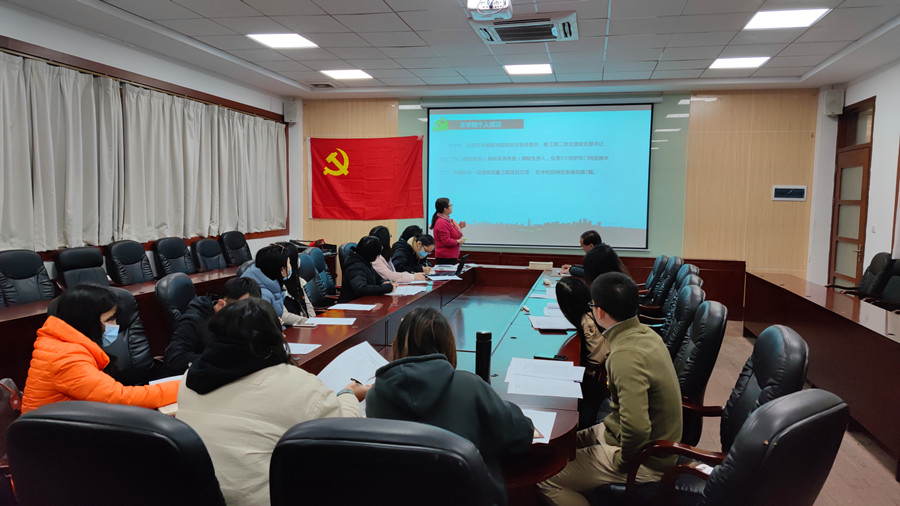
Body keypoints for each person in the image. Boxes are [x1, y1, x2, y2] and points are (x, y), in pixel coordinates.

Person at [176, 298, 365, 506]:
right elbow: (344, 439)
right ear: (277, 337)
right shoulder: (297, 384)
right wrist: (348, 395)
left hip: (199, 496)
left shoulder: (187, 379)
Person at [538, 273, 683, 506]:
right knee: (559, 446)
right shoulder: (646, 334)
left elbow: (637, 429)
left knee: (546, 477)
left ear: (600, 312)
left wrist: (622, 462)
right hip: (620, 432)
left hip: (645, 459)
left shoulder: (625, 355)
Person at [366, 307, 533, 499]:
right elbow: (521, 434)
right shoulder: (469, 385)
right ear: (447, 346)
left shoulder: (375, 397)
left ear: (396, 345)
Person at [21, 284, 178, 413]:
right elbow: (120, 399)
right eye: (109, 319)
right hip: (53, 437)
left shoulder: (61, 344)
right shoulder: (65, 358)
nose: (115, 325)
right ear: (87, 321)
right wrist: (182, 385)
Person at [159, 277, 261, 376]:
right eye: (241, 309)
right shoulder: (194, 319)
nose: (246, 315)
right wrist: (221, 359)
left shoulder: (239, 317)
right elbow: (174, 359)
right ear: (221, 304)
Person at [555, 276, 609, 429]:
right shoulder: (591, 313)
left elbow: (595, 360)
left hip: (591, 382)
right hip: (595, 379)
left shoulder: (587, 323)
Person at [241, 244, 304, 325]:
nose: (290, 267)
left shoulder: (273, 285)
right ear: (282, 270)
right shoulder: (262, 294)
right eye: (289, 264)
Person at [338, 236, 395, 303]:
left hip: (365, 302)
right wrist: (385, 288)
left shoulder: (365, 262)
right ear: (371, 253)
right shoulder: (355, 266)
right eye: (377, 254)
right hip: (352, 304)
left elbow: (378, 278)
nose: (378, 257)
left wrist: (384, 282)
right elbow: (360, 288)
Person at [277, 241, 317, 320]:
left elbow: (308, 307)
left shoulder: (298, 281)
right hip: (292, 326)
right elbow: (283, 315)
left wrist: (314, 322)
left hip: (305, 324)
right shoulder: (276, 286)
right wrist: (307, 321)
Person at [430, 197, 466, 264]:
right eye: (450, 205)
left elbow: (452, 234)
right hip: (445, 258)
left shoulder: (447, 221)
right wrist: (458, 241)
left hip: (451, 257)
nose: (451, 207)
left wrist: (459, 227)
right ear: (445, 209)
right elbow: (446, 241)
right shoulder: (441, 222)